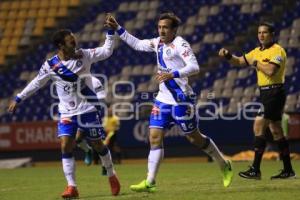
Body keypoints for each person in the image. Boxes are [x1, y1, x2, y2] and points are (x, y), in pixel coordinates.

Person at [105, 12, 233, 192]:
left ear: (174, 30)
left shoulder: (180, 44)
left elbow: (194, 67)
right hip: (162, 100)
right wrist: (117, 28)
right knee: (154, 137)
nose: (161, 30)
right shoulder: (157, 43)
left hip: (182, 100)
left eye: (165, 27)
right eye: (159, 27)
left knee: (194, 138)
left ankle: (224, 164)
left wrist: (173, 74)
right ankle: (150, 181)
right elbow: (137, 44)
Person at [8, 26, 121, 198]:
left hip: (88, 109)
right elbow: (37, 83)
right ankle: (72, 187)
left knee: (98, 144)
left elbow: (106, 51)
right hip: (67, 112)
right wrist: (19, 98)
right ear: (61, 45)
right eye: (71, 41)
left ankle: (112, 175)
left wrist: (111, 33)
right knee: (65, 145)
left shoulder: (84, 55)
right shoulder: (51, 65)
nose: (75, 43)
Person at [218, 21, 296, 179]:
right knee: (276, 130)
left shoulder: (277, 51)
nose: (261, 35)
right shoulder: (257, 51)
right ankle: (288, 170)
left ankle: (255, 169)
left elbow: (271, 71)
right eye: (259, 33)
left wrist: (256, 63)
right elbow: (239, 61)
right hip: (265, 93)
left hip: (275, 91)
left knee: (258, 125)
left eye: (265, 32)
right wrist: (228, 56)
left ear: (272, 35)